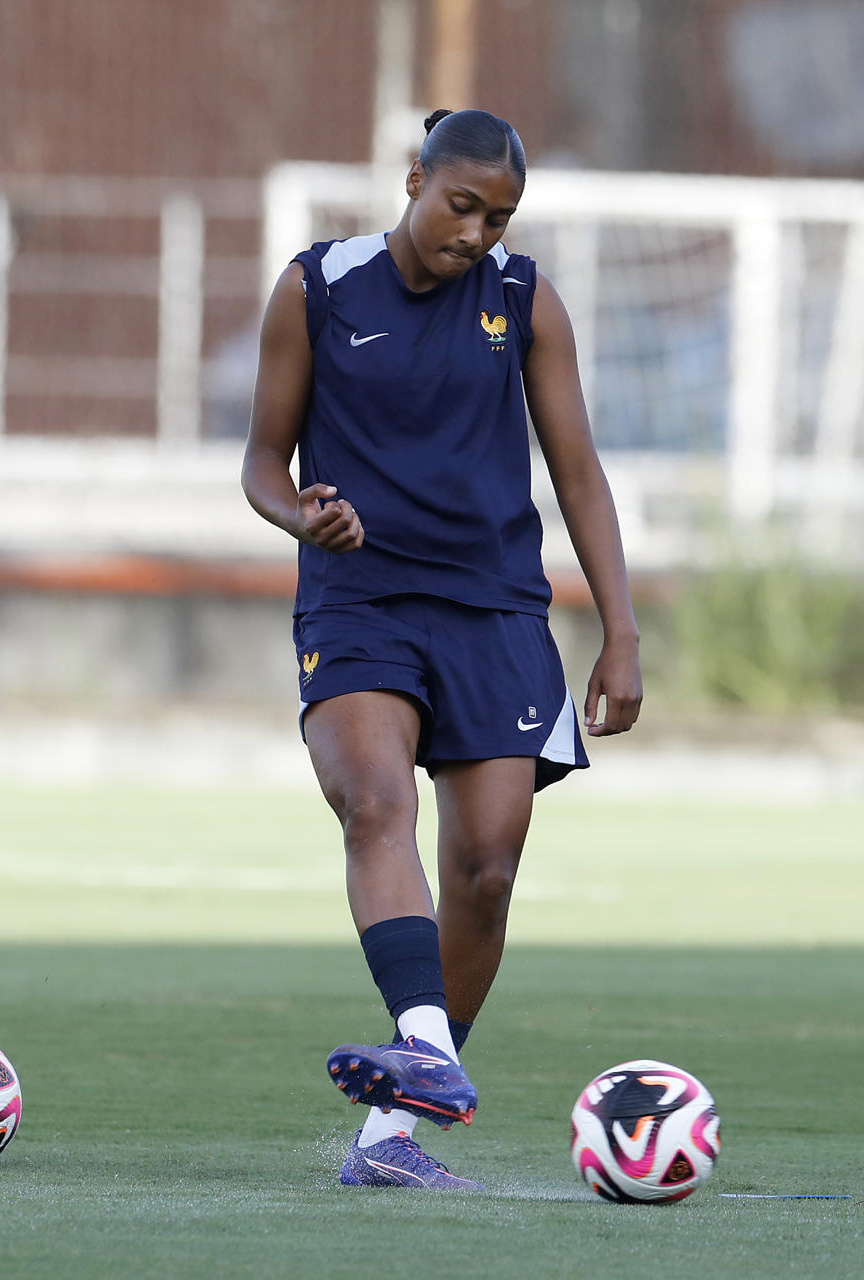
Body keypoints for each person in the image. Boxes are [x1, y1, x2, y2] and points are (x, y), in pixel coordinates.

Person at [240, 108, 642, 1189]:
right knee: (374, 802)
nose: (477, 232)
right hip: (360, 601)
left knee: (488, 868)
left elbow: (580, 475)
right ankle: (423, 1041)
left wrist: (621, 628)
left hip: (497, 610)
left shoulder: (522, 299)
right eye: (462, 204)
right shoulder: (318, 288)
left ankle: (389, 1137)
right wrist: (301, 517)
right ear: (414, 177)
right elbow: (262, 466)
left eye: (499, 215)